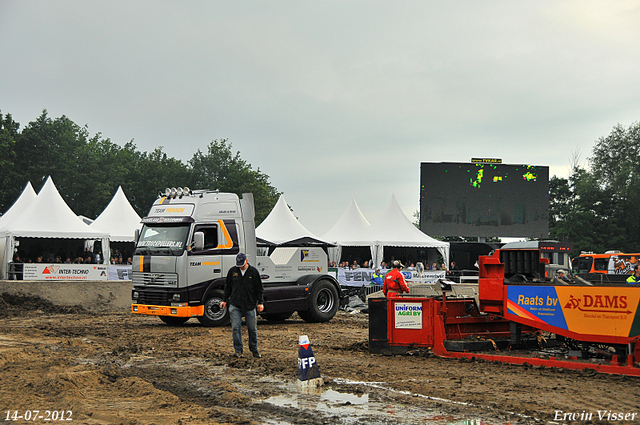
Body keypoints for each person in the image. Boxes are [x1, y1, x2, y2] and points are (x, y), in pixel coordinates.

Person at [221, 253, 265, 358]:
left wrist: (260, 302)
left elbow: (259, 288)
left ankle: (254, 349)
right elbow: (228, 287)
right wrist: (224, 300)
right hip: (235, 304)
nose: (240, 266)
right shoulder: (232, 272)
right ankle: (238, 350)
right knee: (235, 328)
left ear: (247, 261)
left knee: (252, 328)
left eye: (242, 264)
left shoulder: (253, 272)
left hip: (249, 304)